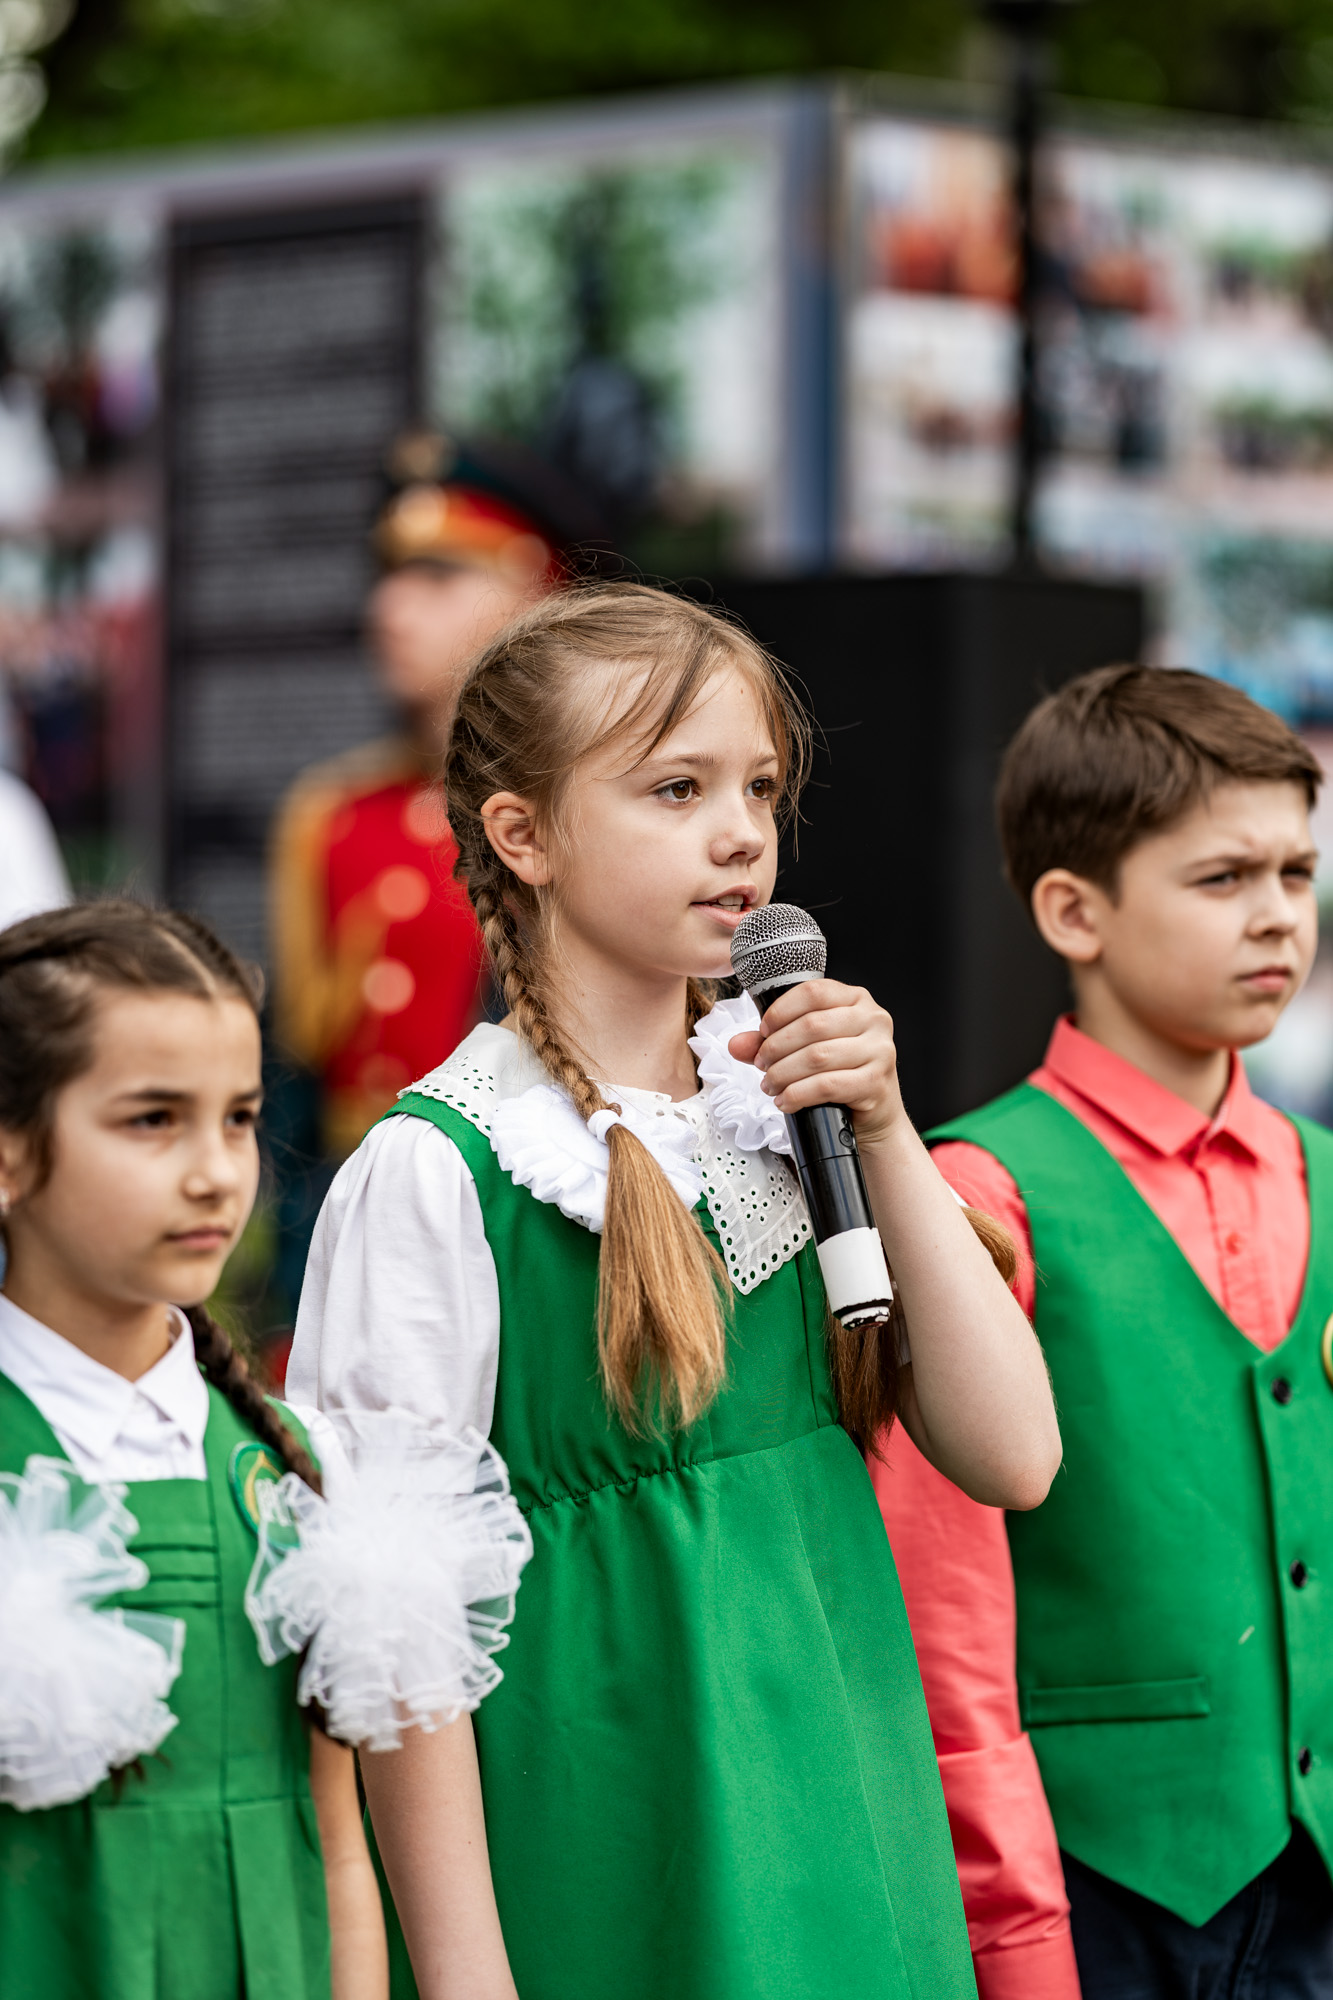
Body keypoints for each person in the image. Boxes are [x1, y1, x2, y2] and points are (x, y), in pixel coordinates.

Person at [287, 581, 1062, 2000]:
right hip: (611, 1848)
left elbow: (1012, 1456)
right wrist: (463, 1978)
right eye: (675, 788)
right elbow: (399, 1642)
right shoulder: (445, 1169)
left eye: (759, 787)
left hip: (844, 1822)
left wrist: (884, 1127)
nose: (741, 832)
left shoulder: (787, 1116)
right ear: (522, 834)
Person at [874, 664, 1333, 1999]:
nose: (1277, 915)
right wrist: (1011, 1937)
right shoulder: (979, 1192)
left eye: (1296, 873)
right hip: (1099, 1890)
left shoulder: (1325, 1175)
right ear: (1073, 909)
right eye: (1222, 877)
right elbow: (945, 1620)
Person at [0, 901, 529, 2000]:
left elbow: (339, 1852)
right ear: (10, 1152)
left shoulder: (302, 1471)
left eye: (239, 1117)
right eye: (153, 1119)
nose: (214, 1171)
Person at [269, 430, 607, 1163]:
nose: (389, 607)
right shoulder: (334, 814)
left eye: (439, 577)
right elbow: (305, 1081)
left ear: (536, 593)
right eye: (389, 575)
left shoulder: (589, 815)